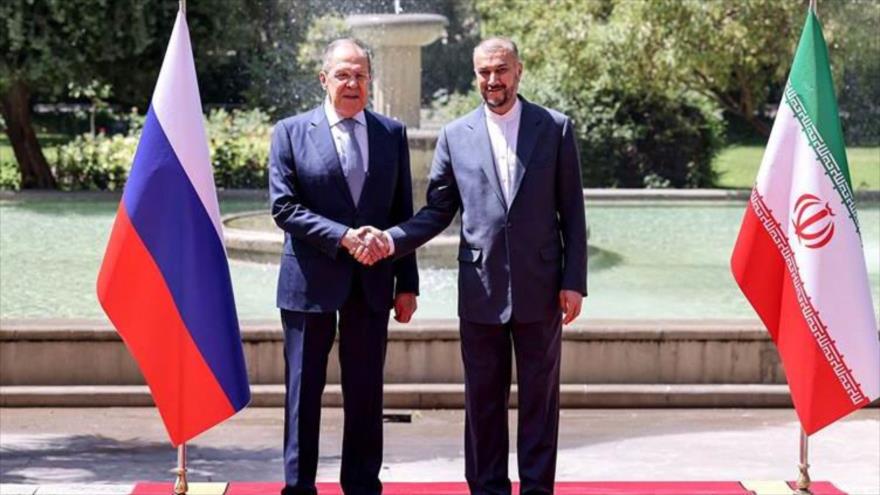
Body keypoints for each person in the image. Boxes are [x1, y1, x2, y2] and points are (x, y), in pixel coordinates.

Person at [356, 37, 587, 495]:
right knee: (482, 400)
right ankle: (486, 488)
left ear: (519, 71)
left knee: (540, 400)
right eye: (484, 72)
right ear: (475, 75)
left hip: (541, 287)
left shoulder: (554, 128)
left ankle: (538, 488)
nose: (492, 80)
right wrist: (390, 240)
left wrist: (574, 280)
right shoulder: (454, 135)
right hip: (479, 289)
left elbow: (573, 213)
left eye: (501, 70)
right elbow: (437, 212)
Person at [268, 38, 419, 495]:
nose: (352, 83)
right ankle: (299, 488)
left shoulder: (391, 133)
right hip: (309, 283)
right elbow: (283, 207)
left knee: (366, 394)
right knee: (302, 395)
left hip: (373, 284)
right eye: (343, 75)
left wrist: (406, 284)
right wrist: (343, 236)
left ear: (370, 80)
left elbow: (402, 212)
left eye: (360, 75)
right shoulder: (290, 132)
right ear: (324, 79)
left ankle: (361, 486)